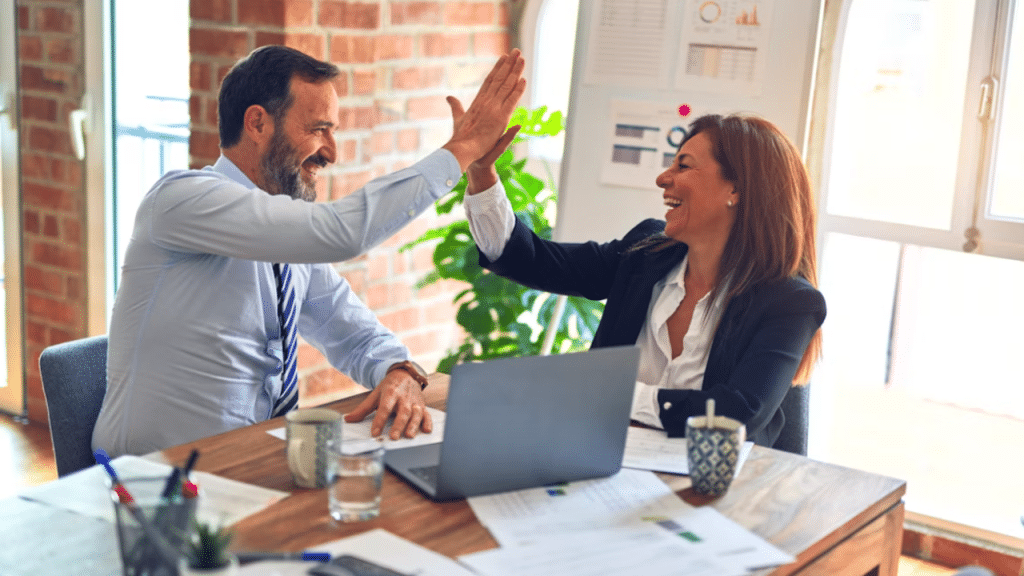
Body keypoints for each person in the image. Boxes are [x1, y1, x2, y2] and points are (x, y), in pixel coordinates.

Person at [93, 45, 526, 457]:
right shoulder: (182, 200)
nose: (331, 153)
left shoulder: (286, 238)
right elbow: (343, 232)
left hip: (250, 464)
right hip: (154, 482)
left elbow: (351, 331)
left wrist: (398, 371)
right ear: (258, 123)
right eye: (319, 129)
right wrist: (462, 149)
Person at [463, 113, 825, 447]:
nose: (663, 179)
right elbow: (534, 260)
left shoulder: (789, 302)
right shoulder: (646, 254)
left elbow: (735, 413)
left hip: (713, 491)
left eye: (683, 166)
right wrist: (482, 173)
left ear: (736, 190)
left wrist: (610, 394)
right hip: (604, 463)